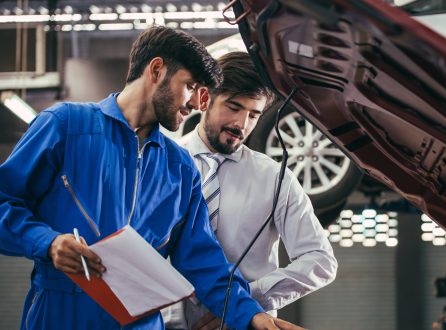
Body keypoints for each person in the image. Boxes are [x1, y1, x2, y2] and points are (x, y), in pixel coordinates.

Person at [0, 26, 302, 330]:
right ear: (157, 70)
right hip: (61, 316)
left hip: (141, 322)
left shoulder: (180, 167)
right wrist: (48, 243)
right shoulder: (66, 126)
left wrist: (251, 315)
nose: (198, 104)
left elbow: (203, 260)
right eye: (191, 86)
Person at [165, 52, 338, 330]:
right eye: (233, 107)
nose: (241, 125)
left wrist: (243, 300)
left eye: (253, 115)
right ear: (205, 98)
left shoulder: (275, 178)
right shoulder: (162, 164)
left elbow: (320, 260)